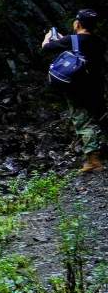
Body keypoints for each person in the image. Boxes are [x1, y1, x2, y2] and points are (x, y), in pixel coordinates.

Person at [42, 9, 105, 172]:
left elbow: (46, 48)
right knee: (100, 117)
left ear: (78, 23)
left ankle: (94, 160)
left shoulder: (72, 39)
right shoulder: (99, 41)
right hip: (96, 86)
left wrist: (47, 38)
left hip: (76, 88)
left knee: (83, 121)